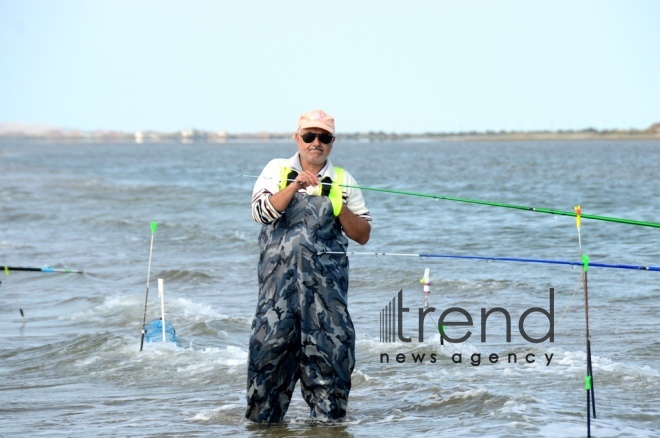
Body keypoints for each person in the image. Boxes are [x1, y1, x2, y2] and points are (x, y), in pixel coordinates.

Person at [246, 109, 372, 423]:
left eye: (324, 137)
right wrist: (293, 187)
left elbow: (363, 235)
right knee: (266, 377)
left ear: (332, 141)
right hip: (278, 299)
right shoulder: (276, 169)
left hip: (327, 304)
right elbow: (261, 213)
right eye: (309, 136)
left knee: (332, 381)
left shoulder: (343, 179)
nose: (316, 142)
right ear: (297, 138)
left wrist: (338, 203)